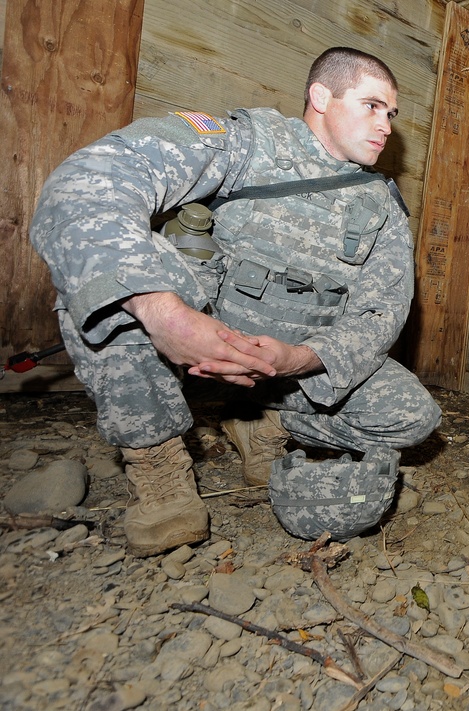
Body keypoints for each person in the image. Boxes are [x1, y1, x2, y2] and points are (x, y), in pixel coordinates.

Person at [30, 47, 441, 557]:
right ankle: (159, 468)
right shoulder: (245, 143)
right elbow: (90, 180)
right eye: (371, 106)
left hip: (291, 366)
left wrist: (305, 358)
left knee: (412, 416)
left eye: (392, 114)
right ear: (321, 96)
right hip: (197, 340)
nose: (386, 125)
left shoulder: (383, 205)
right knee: (106, 286)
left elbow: (382, 313)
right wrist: (163, 312)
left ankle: (264, 426)